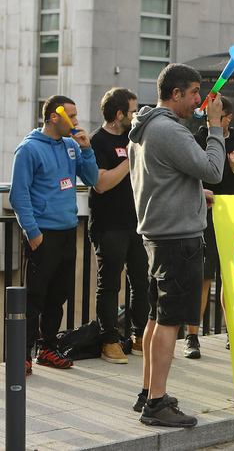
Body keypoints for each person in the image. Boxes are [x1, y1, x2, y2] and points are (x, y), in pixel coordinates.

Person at [128, 63, 225, 427]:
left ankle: (148, 392)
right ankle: (157, 404)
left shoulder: (146, 127)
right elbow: (214, 169)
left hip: (157, 234)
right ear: (176, 94)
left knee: (155, 317)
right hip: (177, 238)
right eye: (195, 93)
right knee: (169, 322)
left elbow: (158, 178)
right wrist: (215, 127)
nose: (200, 100)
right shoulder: (171, 131)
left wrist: (193, 194)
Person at [9, 95, 98, 376]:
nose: (76, 121)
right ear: (53, 116)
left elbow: (93, 179)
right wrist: (32, 232)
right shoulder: (28, 150)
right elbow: (18, 194)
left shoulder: (72, 146)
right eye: (70, 116)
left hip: (68, 230)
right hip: (42, 234)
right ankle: (21, 354)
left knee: (59, 293)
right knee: (34, 297)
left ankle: (47, 349)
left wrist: (86, 150)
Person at [184, 95, 234, 359]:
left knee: (231, 279)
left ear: (228, 117)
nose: (213, 120)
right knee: (202, 279)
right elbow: (189, 176)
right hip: (204, 216)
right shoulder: (197, 139)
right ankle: (192, 337)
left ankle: (233, 333)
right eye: (210, 116)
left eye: (219, 116)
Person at [89, 87, 149, 365]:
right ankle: (109, 340)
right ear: (118, 114)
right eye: (132, 110)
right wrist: (129, 157)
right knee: (109, 284)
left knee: (141, 281)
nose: (135, 115)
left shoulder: (132, 138)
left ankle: (139, 336)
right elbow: (101, 183)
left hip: (137, 223)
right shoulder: (97, 142)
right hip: (108, 224)